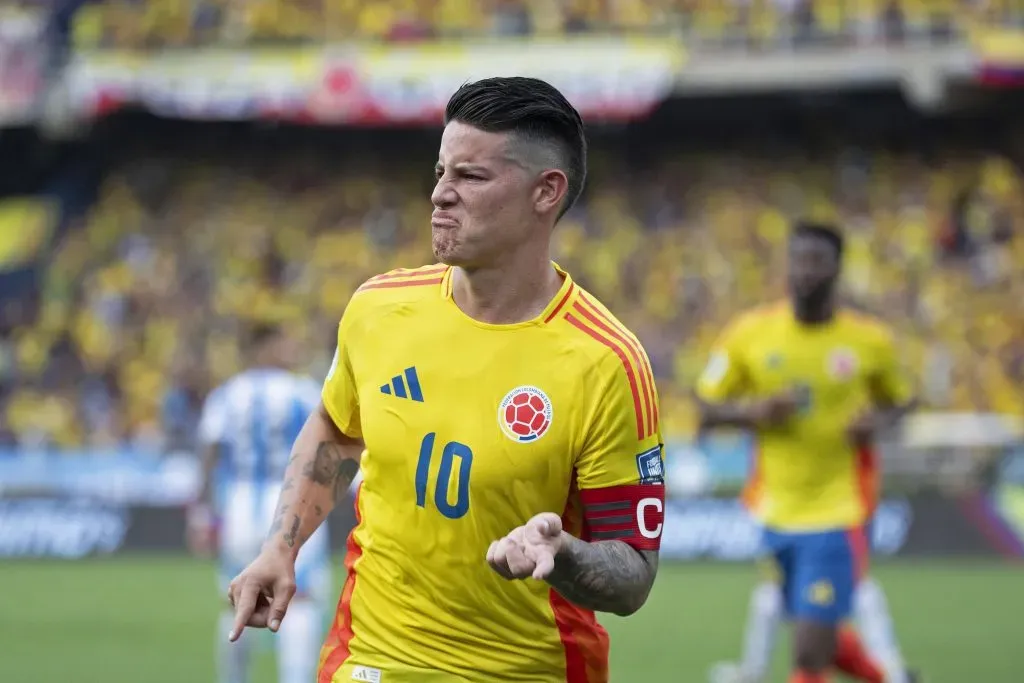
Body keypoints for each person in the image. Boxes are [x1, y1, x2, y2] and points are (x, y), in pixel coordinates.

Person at [225, 76, 666, 683]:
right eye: (440, 173)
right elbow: (335, 427)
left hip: (525, 670)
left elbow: (633, 572)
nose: (440, 195)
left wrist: (562, 554)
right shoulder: (378, 308)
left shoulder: (608, 362)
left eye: (471, 177)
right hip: (370, 660)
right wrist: (281, 547)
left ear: (546, 192)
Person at [695, 222, 919, 683]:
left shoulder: (869, 341)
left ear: (838, 269)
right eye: (799, 260)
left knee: (809, 653)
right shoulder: (749, 333)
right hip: (773, 511)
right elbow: (705, 406)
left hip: (838, 511)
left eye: (818, 261)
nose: (806, 271)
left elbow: (901, 401)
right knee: (816, 629)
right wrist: (755, 411)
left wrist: (875, 423)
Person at [189, 324, 332, 683]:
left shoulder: (227, 394)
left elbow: (208, 453)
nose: (292, 348)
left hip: (239, 507)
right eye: (284, 341)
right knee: (301, 600)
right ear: (264, 346)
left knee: (238, 598)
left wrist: (202, 513)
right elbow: (327, 445)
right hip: (295, 505)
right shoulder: (301, 390)